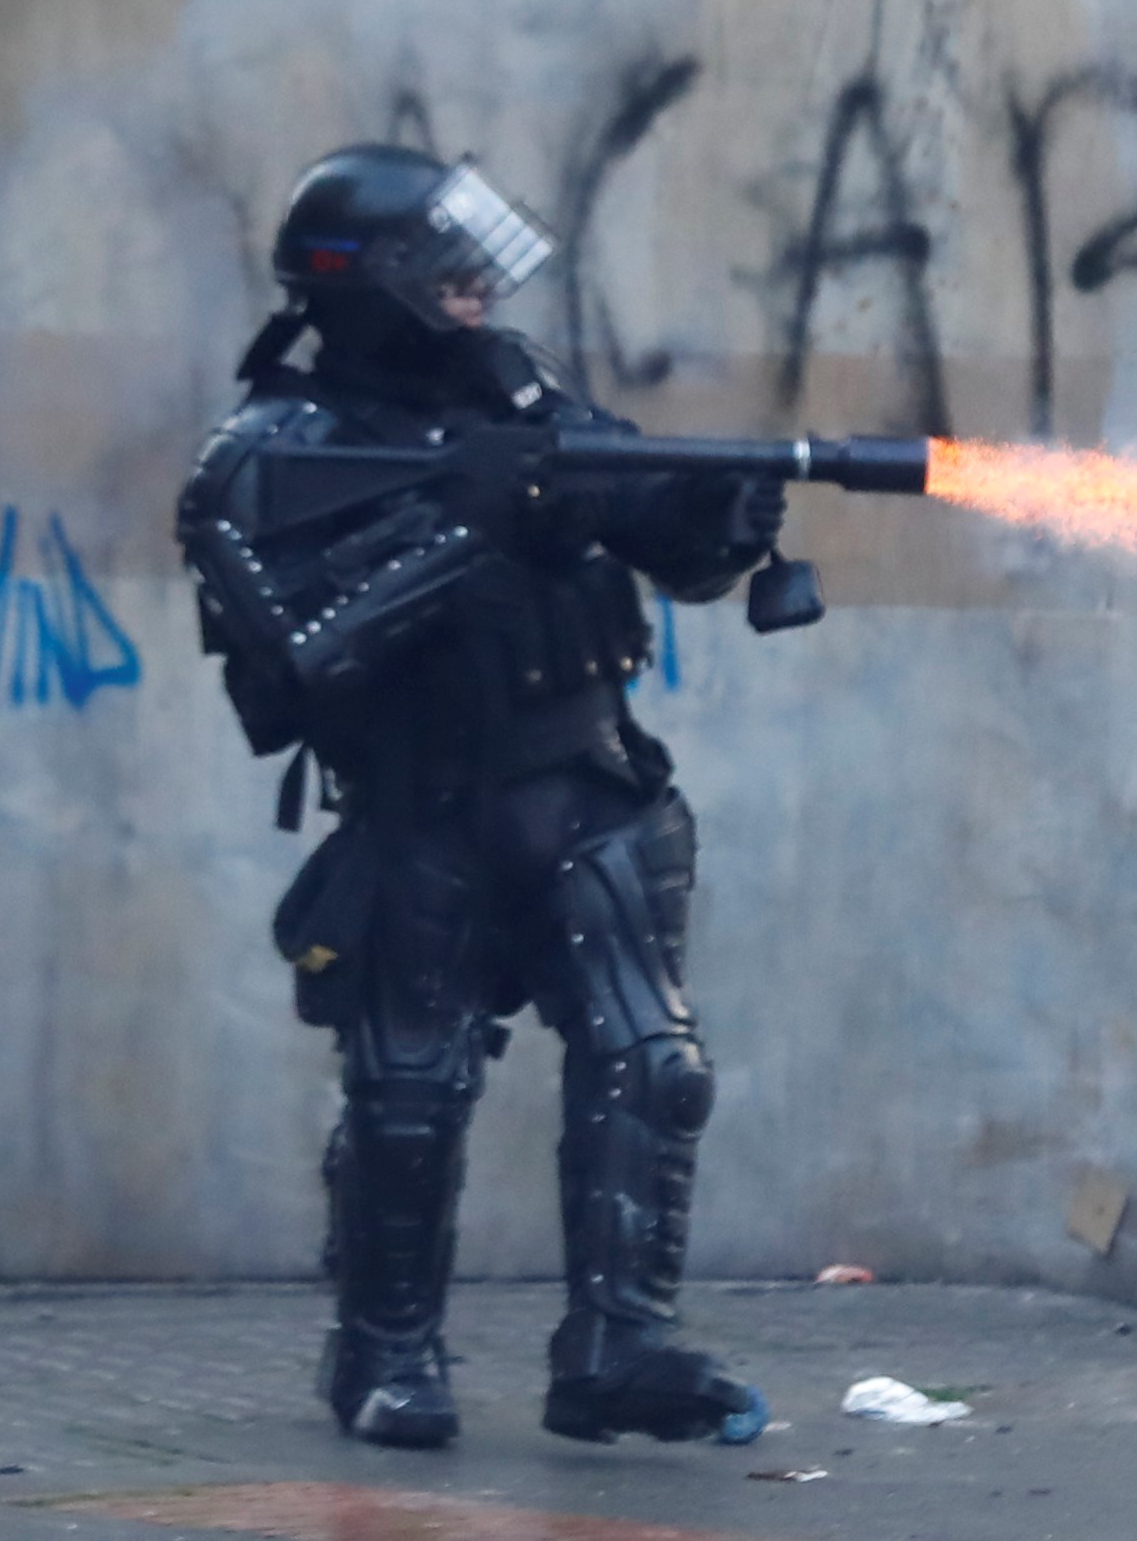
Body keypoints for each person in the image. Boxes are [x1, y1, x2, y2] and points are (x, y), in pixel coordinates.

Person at [178, 144, 781, 1449]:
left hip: (589, 791)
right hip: (418, 812)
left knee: (653, 1066)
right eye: (438, 272)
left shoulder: (516, 393)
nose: (471, 292)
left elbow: (657, 534)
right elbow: (290, 665)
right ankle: (385, 1354)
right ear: (362, 286)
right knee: (411, 1088)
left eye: (473, 267)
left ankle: (619, 1351)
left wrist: (717, 512)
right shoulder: (272, 451)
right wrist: (474, 532)